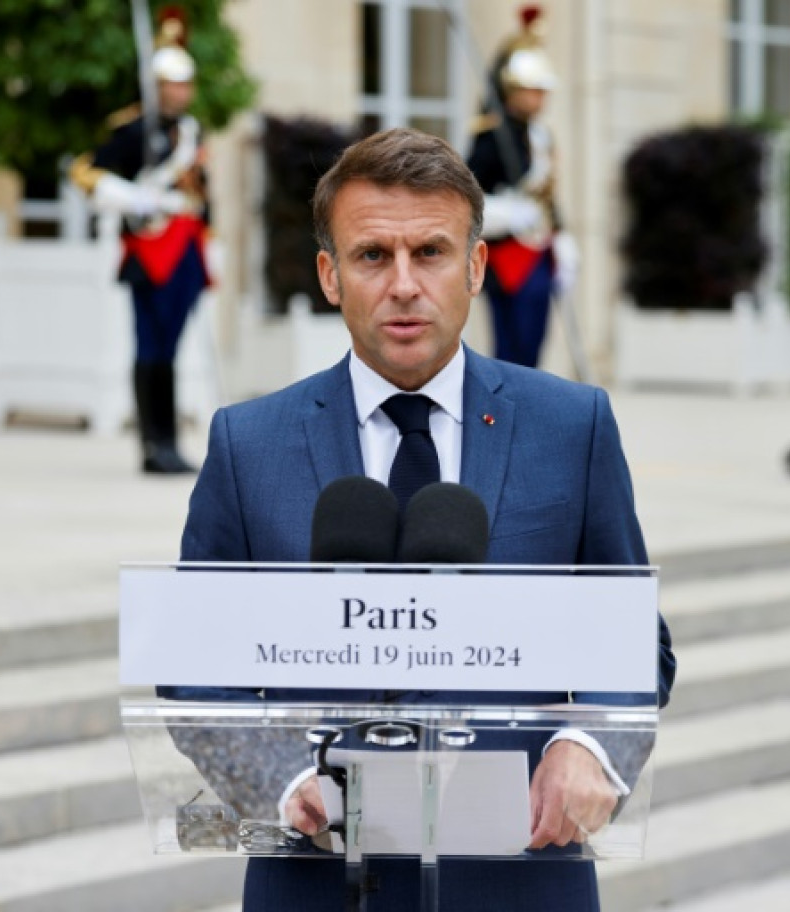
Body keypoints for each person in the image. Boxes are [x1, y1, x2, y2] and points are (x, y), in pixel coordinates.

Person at [176, 127, 676, 911]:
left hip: (520, 874)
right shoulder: (249, 444)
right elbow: (194, 659)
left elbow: (636, 640)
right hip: (316, 877)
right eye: (373, 255)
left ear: (476, 267)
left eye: (431, 253)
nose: (404, 284)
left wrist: (590, 748)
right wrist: (278, 775)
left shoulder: (571, 427)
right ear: (330, 275)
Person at [70, 7, 210, 475]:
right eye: (172, 84)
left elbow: (202, 192)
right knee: (151, 347)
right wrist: (137, 198)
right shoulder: (131, 130)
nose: (180, 93)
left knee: (170, 347)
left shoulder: (191, 132)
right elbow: (86, 173)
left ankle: (167, 441)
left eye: (185, 85)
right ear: (156, 86)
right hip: (150, 249)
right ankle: (153, 444)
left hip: (185, 246)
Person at [465, 5, 576, 370]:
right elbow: (471, 195)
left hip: (537, 245)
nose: (541, 98)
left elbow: (545, 193)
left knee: (534, 342)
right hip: (505, 251)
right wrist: (506, 214)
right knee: (511, 345)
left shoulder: (540, 134)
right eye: (534, 90)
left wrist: (560, 233)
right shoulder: (491, 136)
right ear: (512, 90)